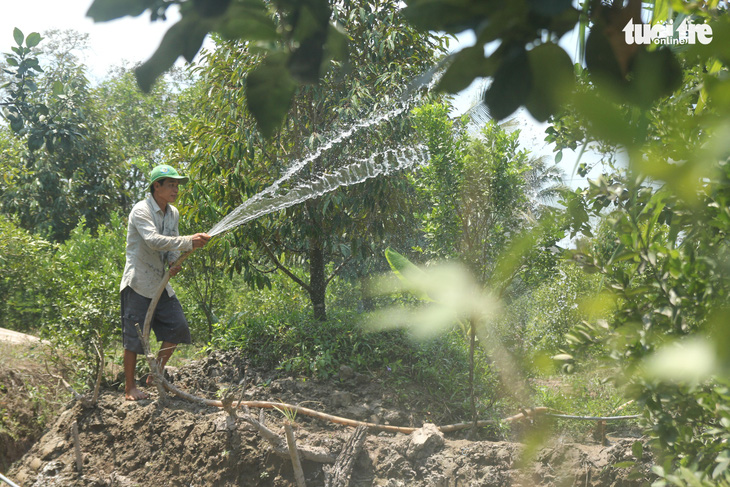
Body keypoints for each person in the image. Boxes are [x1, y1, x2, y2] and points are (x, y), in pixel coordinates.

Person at [120, 164, 211, 401]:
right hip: (138, 282)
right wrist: (189, 242)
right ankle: (130, 388)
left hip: (160, 282)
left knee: (177, 327)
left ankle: (155, 372)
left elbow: (170, 244)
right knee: (134, 337)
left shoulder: (173, 213)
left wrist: (174, 262)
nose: (175, 189)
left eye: (177, 185)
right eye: (170, 185)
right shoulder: (141, 210)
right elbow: (153, 241)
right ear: (156, 186)